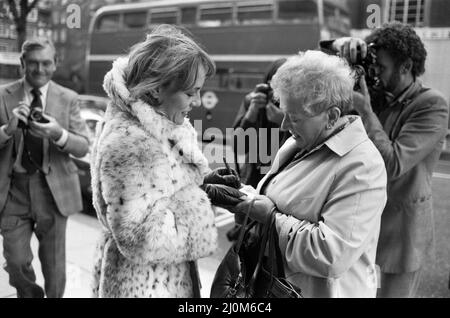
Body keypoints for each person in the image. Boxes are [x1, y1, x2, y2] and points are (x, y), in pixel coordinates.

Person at [90, 25, 241, 298]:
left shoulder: (164, 123)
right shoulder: (131, 141)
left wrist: (203, 182)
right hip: (143, 286)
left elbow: (166, 190)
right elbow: (141, 238)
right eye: (190, 92)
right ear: (158, 89)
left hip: (166, 280)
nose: (197, 101)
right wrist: (199, 200)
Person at [231, 50, 388, 298]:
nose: (284, 126)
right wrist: (241, 197)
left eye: (294, 118)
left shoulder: (362, 166)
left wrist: (271, 218)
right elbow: (276, 199)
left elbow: (331, 255)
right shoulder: (303, 141)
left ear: (332, 116)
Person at [322, 22, 449, 298]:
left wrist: (366, 111)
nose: (375, 73)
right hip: (363, 223)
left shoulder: (431, 105)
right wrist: (345, 56)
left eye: (383, 67)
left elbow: (393, 164)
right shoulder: (379, 95)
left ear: (406, 66)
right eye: (374, 65)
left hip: (401, 235)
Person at [0, 38, 89, 297]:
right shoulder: (3, 95)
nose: (40, 69)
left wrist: (59, 134)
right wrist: (7, 130)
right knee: (16, 262)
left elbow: (83, 146)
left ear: (55, 63)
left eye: (46, 63)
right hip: (13, 191)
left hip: (54, 192)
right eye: (33, 63)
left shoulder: (68, 98)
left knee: (54, 266)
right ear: (22, 65)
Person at [232, 58, 289, 187]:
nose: (277, 94)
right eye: (274, 86)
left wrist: (286, 122)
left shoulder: (297, 107)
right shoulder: (253, 101)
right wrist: (252, 113)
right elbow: (239, 148)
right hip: (252, 179)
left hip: (282, 181)